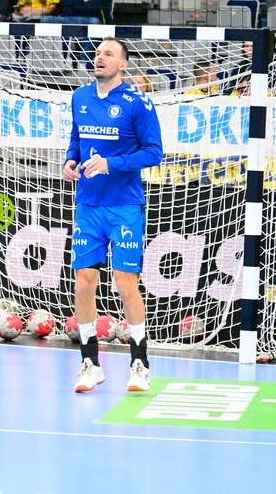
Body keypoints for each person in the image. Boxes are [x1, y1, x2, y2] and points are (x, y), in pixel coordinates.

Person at [62, 37, 163, 393]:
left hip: (124, 206)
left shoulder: (138, 103)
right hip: (88, 205)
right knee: (83, 280)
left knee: (124, 282)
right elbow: (76, 139)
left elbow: (154, 153)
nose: (99, 57)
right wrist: (70, 161)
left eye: (108, 54)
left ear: (123, 64)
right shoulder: (80, 97)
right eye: (97, 52)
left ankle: (140, 362)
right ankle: (89, 362)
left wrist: (111, 164)